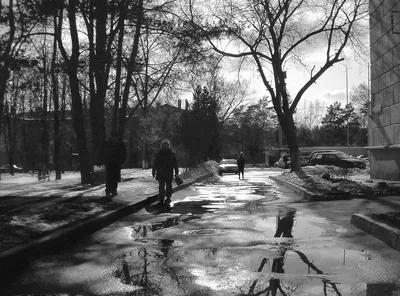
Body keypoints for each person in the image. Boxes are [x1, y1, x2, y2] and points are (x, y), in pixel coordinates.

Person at [152, 139, 179, 210]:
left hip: (168, 173)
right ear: (162, 145)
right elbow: (155, 163)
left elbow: (175, 164)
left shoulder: (171, 154)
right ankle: (161, 199)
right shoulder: (159, 154)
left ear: (168, 145)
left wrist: (176, 172)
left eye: (166, 145)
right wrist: (153, 171)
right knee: (161, 186)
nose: (165, 146)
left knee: (168, 186)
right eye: (164, 145)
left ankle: (168, 197)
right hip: (161, 173)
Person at [104, 131, 127, 198]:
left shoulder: (120, 144)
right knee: (109, 177)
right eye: (113, 137)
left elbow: (124, 153)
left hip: (116, 163)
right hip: (109, 163)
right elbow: (103, 152)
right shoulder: (108, 143)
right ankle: (108, 190)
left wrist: (122, 161)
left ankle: (113, 190)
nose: (114, 138)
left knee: (114, 177)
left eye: (115, 137)